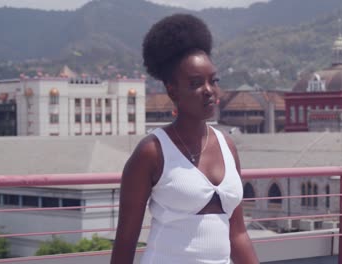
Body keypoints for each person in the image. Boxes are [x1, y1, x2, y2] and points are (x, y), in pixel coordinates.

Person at [110, 13, 259, 264]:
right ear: (172, 89)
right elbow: (125, 242)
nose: (209, 91)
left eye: (213, 81)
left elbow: (238, 233)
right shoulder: (152, 153)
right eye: (195, 83)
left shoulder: (227, 146)